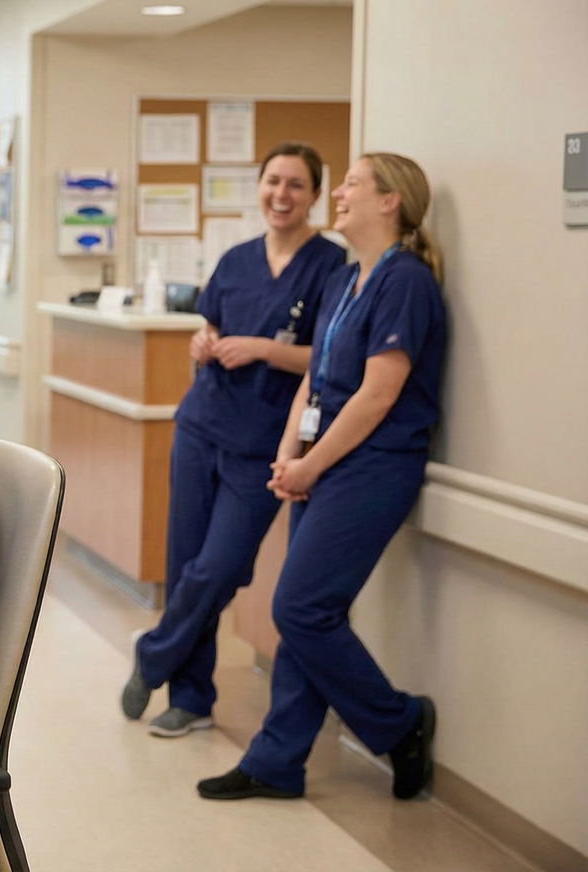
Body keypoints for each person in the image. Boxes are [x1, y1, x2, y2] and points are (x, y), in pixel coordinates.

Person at [197, 152, 446, 801]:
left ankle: (398, 722)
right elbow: (316, 377)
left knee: (301, 609)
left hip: (373, 464)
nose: (339, 193)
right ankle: (277, 762)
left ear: (390, 201)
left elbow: (378, 394)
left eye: (353, 184)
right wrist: (290, 455)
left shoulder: (406, 282)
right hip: (323, 458)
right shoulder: (348, 277)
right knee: (310, 612)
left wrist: (312, 461)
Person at [122, 143, 345, 737]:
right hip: (202, 425)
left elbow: (328, 358)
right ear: (260, 187)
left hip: (266, 442)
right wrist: (205, 342)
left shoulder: (332, 267)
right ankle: (190, 698)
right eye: (273, 181)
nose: (282, 194)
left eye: (296, 185)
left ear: (315, 196)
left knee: (219, 567)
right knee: (185, 560)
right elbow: (211, 325)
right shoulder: (237, 258)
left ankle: (154, 651)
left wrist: (266, 350)